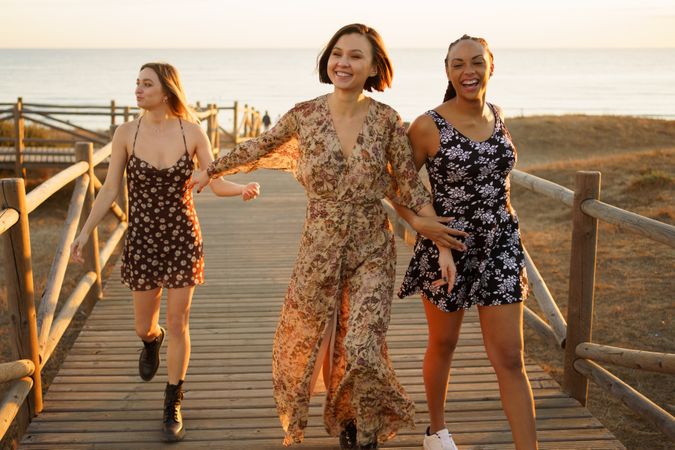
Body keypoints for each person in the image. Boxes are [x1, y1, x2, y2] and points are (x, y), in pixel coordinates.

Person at [191, 24, 467, 450]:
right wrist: (210, 170)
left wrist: (441, 242)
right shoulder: (305, 114)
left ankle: (366, 428)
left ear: (374, 66)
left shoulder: (388, 121)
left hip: (372, 247)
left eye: (356, 56)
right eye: (338, 53)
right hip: (318, 244)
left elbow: (410, 187)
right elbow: (260, 146)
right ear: (328, 60)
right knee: (308, 338)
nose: (343, 62)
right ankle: (348, 417)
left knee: (362, 342)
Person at [70, 62, 260, 442]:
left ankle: (173, 399)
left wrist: (242, 190)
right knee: (146, 325)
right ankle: (149, 341)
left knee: (178, 323)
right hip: (142, 239)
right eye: (136, 83)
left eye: (146, 84)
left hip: (182, 237)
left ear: (167, 90)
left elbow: (213, 181)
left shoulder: (192, 132)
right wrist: (83, 231)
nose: (138, 90)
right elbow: (109, 190)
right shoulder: (126, 133)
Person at [396, 35, 538, 450]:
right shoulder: (427, 125)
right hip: (449, 249)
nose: (468, 71)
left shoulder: (498, 114)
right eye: (457, 64)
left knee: (510, 358)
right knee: (444, 342)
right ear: (447, 71)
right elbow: (397, 185)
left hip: (501, 246)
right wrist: (423, 227)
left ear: (491, 66)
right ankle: (436, 430)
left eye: (476, 62)